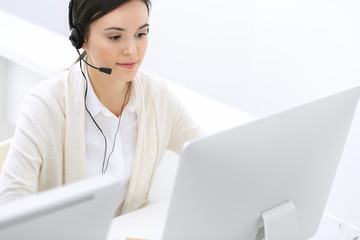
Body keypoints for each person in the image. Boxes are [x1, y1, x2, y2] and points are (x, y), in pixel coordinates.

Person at [0, 0, 204, 216]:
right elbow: (10, 204)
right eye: (115, 37)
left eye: (141, 34)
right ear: (81, 39)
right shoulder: (46, 105)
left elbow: (209, 155)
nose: (132, 51)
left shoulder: (158, 97)